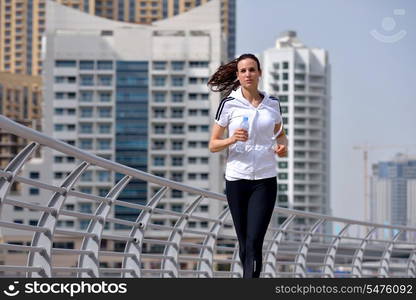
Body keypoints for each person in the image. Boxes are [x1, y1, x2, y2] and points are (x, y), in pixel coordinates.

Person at [208, 53, 288, 278]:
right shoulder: (229, 104)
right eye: (243, 71)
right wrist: (231, 139)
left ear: (259, 73)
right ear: (238, 75)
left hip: (265, 180)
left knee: (254, 241)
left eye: (252, 69)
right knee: (244, 243)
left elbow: (281, 135)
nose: (248, 74)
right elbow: (213, 145)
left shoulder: (272, 104)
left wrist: (282, 148)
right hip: (237, 180)